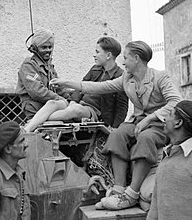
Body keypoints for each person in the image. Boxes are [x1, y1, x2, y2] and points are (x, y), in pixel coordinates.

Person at [50, 41, 182, 210]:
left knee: (145, 138)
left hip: (159, 125)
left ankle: (132, 193)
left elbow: (176, 101)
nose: (123, 62)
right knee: (117, 135)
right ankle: (119, 189)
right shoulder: (127, 78)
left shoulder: (160, 77)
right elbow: (99, 87)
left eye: (125, 58)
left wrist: (149, 119)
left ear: (136, 58)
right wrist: (67, 82)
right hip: (138, 121)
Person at [24, 37, 128, 132]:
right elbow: (80, 87)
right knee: (53, 103)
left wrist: (115, 127)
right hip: (76, 105)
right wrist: (73, 101)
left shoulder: (120, 76)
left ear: (108, 55)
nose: (94, 55)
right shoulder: (95, 69)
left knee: (75, 110)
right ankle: (26, 130)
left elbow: (122, 106)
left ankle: (35, 121)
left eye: (97, 52)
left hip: (93, 112)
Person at [146, 100, 192, 220]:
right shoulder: (168, 155)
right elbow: (156, 204)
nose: (164, 119)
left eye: (169, 114)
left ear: (178, 123)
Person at [16, 29, 69, 121]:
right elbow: (37, 92)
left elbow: (59, 88)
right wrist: (60, 99)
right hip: (35, 110)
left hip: (51, 108)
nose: (48, 50)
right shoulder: (29, 66)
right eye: (44, 47)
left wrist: (71, 98)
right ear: (35, 49)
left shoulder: (49, 66)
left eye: (50, 47)